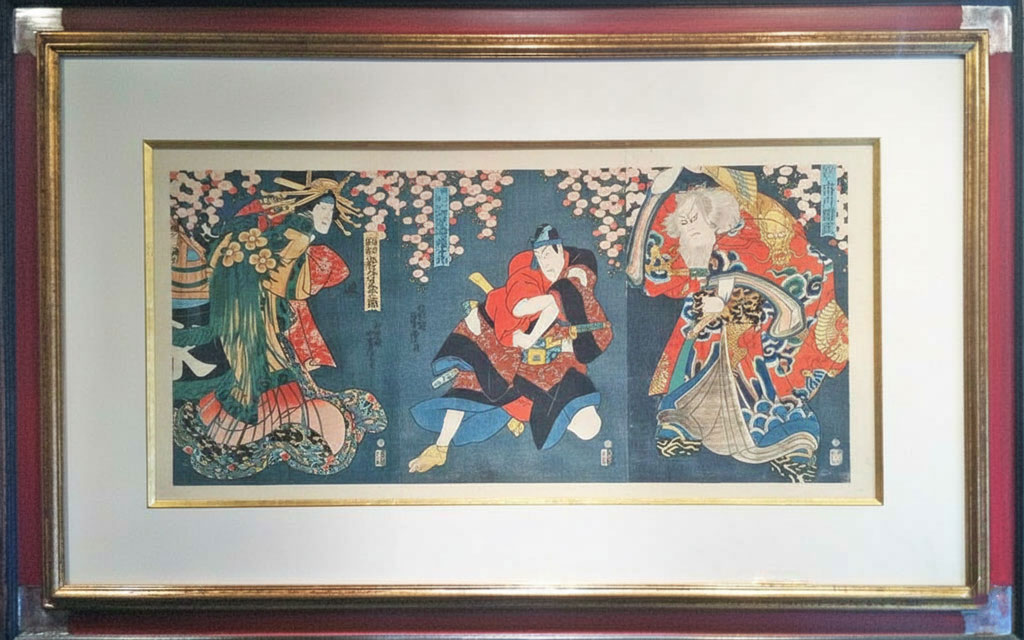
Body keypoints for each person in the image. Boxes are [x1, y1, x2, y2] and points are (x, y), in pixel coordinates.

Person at [625, 166, 849, 482]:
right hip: (702, 338)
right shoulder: (694, 256)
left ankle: (789, 436)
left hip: (753, 335)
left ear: (714, 218)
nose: (691, 228)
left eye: (695, 219)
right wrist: (654, 198)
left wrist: (730, 299)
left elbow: (793, 274)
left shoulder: (746, 243)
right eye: (684, 224)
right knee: (689, 381)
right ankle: (685, 424)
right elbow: (641, 275)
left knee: (754, 382)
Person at [172, 175, 386, 479]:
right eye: (322, 208)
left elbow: (294, 279)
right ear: (307, 207)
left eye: (330, 210)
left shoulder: (292, 233)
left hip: (262, 318)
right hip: (249, 316)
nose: (327, 216)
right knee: (262, 373)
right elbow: (286, 279)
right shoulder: (293, 232)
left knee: (277, 367)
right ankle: (261, 421)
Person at [408, 224, 613, 473]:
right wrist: (528, 337)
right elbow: (524, 313)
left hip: (545, 344)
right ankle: (440, 447)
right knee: (472, 382)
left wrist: (557, 337)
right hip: (496, 330)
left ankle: (522, 412)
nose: (545, 262)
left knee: (564, 394)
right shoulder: (524, 279)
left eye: (549, 254)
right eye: (540, 256)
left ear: (560, 249)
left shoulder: (575, 265)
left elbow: (567, 294)